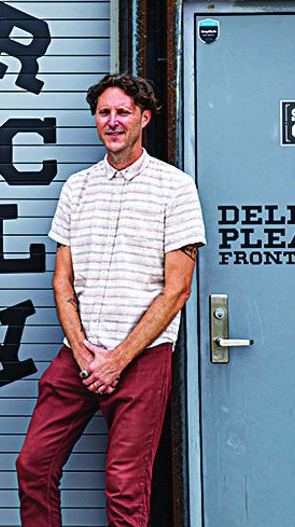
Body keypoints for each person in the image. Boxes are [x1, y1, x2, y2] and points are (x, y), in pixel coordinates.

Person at [15, 73, 206, 527]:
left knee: (126, 487)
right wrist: (82, 350)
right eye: (104, 112)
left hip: (142, 358)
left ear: (144, 118)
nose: (113, 121)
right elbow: (62, 282)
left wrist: (119, 358)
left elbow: (177, 288)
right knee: (33, 466)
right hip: (78, 355)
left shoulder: (175, 188)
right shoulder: (77, 188)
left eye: (123, 112)